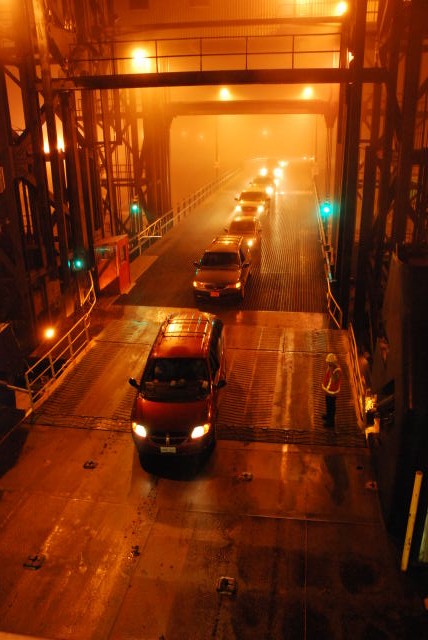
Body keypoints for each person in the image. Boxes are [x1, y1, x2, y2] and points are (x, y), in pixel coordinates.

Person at [322, 353, 342, 428]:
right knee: (328, 404)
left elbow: (334, 380)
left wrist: (331, 370)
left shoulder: (337, 370)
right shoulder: (331, 367)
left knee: (331, 406)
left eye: (329, 363)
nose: (328, 364)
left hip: (333, 392)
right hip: (328, 391)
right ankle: (328, 415)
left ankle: (331, 422)